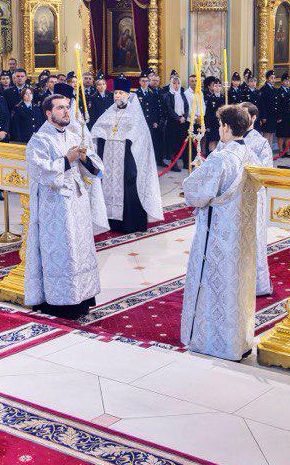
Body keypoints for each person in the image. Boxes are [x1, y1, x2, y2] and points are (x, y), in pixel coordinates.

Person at [181, 105, 258, 360]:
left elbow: (194, 191)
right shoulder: (249, 154)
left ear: (226, 127)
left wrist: (200, 171)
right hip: (241, 232)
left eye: (220, 125)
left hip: (217, 232)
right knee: (236, 285)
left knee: (213, 284)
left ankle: (211, 342)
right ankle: (237, 342)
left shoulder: (221, 158)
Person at [23, 94, 105, 319]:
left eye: (67, 107)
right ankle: (61, 302)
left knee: (79, 248)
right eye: (60, 108)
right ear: (48, 113)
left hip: (77, 204)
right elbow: (40, 171)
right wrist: (66, 160)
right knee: (63, 251)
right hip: (56, 206)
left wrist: (84, 159)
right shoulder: (39, 140)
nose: (66, 111)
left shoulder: (74, 136)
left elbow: (97, 170)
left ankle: (82, 296)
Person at [89, 78, 164, 234]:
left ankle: (130, 224)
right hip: (109, 157)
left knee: (128, 188)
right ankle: (112, 222)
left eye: (120, 93)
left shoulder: (135, 113)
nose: (117, 96)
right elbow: (97, 129)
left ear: (127, 95)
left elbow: (140, 135)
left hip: (127, 157)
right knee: (109, 187)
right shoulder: (109, 112)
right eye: (115, 93)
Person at [240, 102, 274, 297]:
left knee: (254, 237)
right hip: (233, 197)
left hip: (253, 195)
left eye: (245, 115)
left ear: (253, 118)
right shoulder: (230, 138)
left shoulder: (260, 143)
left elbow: (266, 172)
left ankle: (257, 284)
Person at [161, 72, 192, 171]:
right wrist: (178, 118)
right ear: (171, 84)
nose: (176, 85)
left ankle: (183, 162)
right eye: (174, 83)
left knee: (181, 143)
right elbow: (169, 109)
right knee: (172, 143)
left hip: (182, 122)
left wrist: (184, 116)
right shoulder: (167, 95)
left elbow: (186, 106)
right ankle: (173, 163)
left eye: (178, 83)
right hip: (172, 122)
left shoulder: (182, 94)